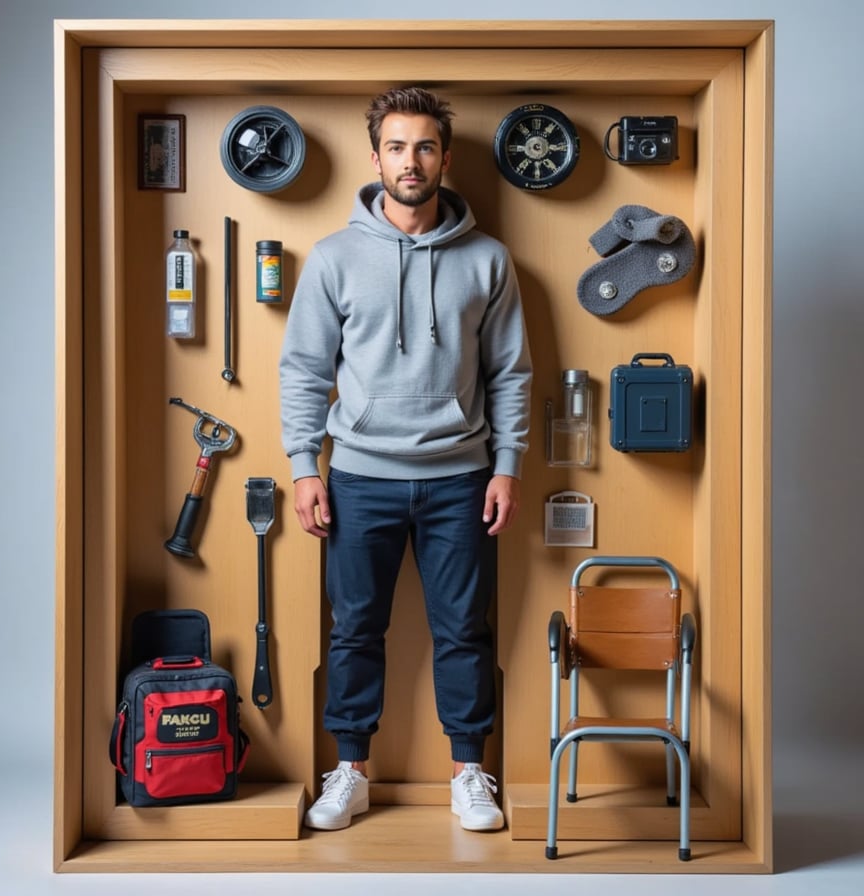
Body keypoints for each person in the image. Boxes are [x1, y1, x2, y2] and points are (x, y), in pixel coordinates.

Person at [279, 86, 532, 833]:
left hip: (462, 477)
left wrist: (508, 464)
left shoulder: (488, 260)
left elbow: (511, 373)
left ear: (444, 158)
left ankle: (468, 773)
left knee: (465, 631)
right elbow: (303, 370)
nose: (410, 161)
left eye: (424, 146)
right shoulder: (334, 258)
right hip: (360, 477)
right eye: (396, 147)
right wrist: (303, 465)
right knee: (354, 630)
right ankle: (351, 772)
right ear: (376, 158)